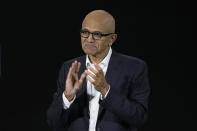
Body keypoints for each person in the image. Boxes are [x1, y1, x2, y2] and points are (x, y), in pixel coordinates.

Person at [46, 10, 150, 131]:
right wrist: (67, 98)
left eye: (97, 34)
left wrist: (106, 90)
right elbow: (53, 123)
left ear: (112, 39)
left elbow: (139, 118)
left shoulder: (135, 67)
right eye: (85, 32)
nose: (89, 39)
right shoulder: (69, 68)